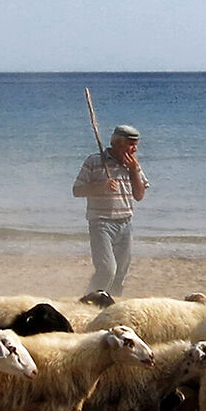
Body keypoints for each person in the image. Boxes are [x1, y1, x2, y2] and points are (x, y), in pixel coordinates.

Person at [73, 125, 148, 304]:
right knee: (107, 269)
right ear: (117, 143)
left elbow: (139, 195)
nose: (134, 149)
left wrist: (134, 170)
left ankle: (112, 304)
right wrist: (101, 187)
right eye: (131, 144)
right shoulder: (94, 161)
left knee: (121, 272)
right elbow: (77, 190)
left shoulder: (133, 164)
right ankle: (89, 300)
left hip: (125, 223)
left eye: (136, 145)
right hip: (101, 223)